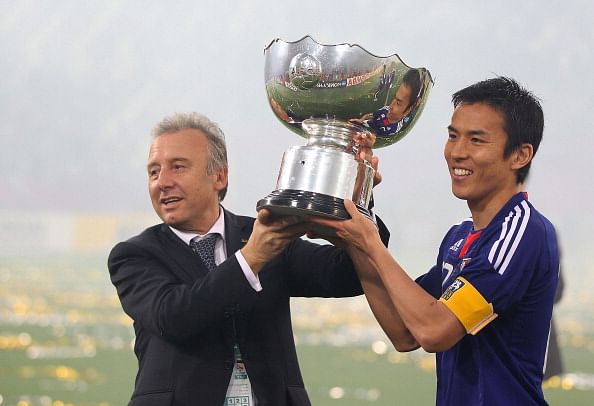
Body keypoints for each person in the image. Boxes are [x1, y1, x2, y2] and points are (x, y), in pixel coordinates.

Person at [108, 112, 388, 406]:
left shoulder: (263, 235)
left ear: (219, 176)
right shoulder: (134, 255)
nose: (162, 182)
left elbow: (348, 275)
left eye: (178, 167)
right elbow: (174, 316)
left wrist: (358, 199)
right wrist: (250, 258)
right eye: (153, 172)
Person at [311, 77, 560, 405]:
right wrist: (357, 224)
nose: (457, 152)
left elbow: (434, 331)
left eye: (476, 140)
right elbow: (404, 332)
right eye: (453, 136)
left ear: (520, 155)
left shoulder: (522, 232)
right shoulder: (459, 238)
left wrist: (370, 242)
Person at [351, 68, 422, 137]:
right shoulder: (385, 110)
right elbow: (371, 115)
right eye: (394, 98)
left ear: (407, 111)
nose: (390, 106)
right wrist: (361, 120)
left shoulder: (393, 129)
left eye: (398, 103)